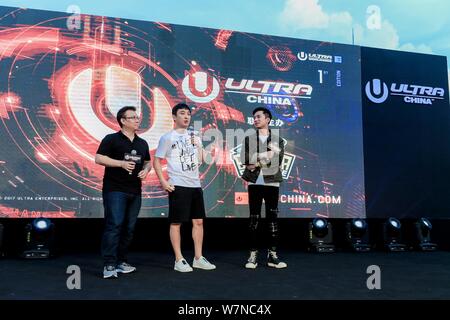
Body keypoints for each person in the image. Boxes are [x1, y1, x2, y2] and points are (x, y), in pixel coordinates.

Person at [153, 103, 216, 272]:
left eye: (188, 114)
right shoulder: (167, 137)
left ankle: (198, 258)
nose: (186, 117)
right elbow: (157, 160)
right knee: (176, 223)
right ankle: (179, 259)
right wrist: (164, 182)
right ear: (174, 117)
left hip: (195, 184)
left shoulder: (195, 136)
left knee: (199, 221)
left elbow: (205, 160)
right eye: (182, 113)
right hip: (178, 185)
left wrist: (200, 145)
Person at [95, 106, 151, 279]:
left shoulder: (142, 143)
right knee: (114, 225)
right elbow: (98, 158)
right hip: (115, 189)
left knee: (129, 228)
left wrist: (146, 170)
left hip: (135, 190)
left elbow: (147, 161)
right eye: (132, 117)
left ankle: (121, 261)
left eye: (137, 117)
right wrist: (121, 163)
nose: (137, 120)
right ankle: (109, 264)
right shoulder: (111, 139)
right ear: (123, 121)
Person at [240, 107, 287, 269]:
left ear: (267, 119)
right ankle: (253, 255)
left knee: (272, 220)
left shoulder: (277, 140)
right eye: (254, 117)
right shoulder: (249, 139)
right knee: (254, 219)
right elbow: (245, 162)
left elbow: (276, 162)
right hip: (254, 183)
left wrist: (256, 160)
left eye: (259, 117)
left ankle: (272, 255)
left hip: (272, 182)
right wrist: (264, 155)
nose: (255, 119)